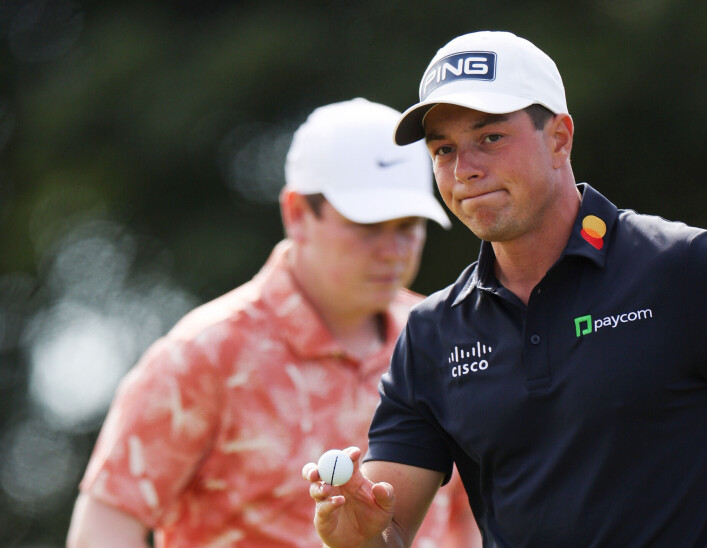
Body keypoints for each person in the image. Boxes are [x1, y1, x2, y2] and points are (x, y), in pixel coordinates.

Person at [302, 32, 707, 548]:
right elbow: (389, 528)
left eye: (491, 137)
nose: (464, 169)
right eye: (444, 149)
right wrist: (355, 537)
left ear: (559, 138)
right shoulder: (432, 333)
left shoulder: (687, 268)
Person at [66, 98, 482, 548]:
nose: (392, 249)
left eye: (408, 225)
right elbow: (105, 527)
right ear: (298, 214)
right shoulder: (203, 355)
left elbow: (470, 521)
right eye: (368, 225)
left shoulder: (447, 339)